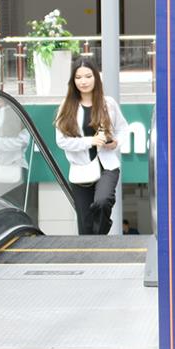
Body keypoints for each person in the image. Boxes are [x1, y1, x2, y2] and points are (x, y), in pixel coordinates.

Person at [55, 55, 128, 235]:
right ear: (73, 81)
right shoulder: (67, 106)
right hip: (81, 170)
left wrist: (115, 142)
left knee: (103, 201)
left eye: (88, 76)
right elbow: (61, 141)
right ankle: (93, 247)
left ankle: (100, 237)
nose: (83, 81)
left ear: (96, 77)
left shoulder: (108, 103)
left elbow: (123, 129)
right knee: (85, 225)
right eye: (78, 77)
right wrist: (90, 141)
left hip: (107, 166)